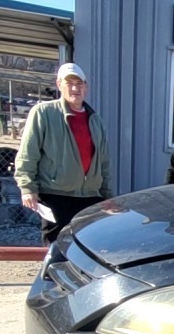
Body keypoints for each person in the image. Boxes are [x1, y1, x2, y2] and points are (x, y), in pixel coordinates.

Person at [14, 62, 113, 245]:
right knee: (56, 249)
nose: (75, 88)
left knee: (86, 248)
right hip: (56, 195)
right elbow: (29, 152)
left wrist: (107, 195)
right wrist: (27, 187)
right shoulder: (44, 113)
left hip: (90, 197)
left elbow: (103, 162)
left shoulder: (95, 120)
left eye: (79, 83)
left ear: (86, 87)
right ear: (59, 85)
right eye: (69, 83)